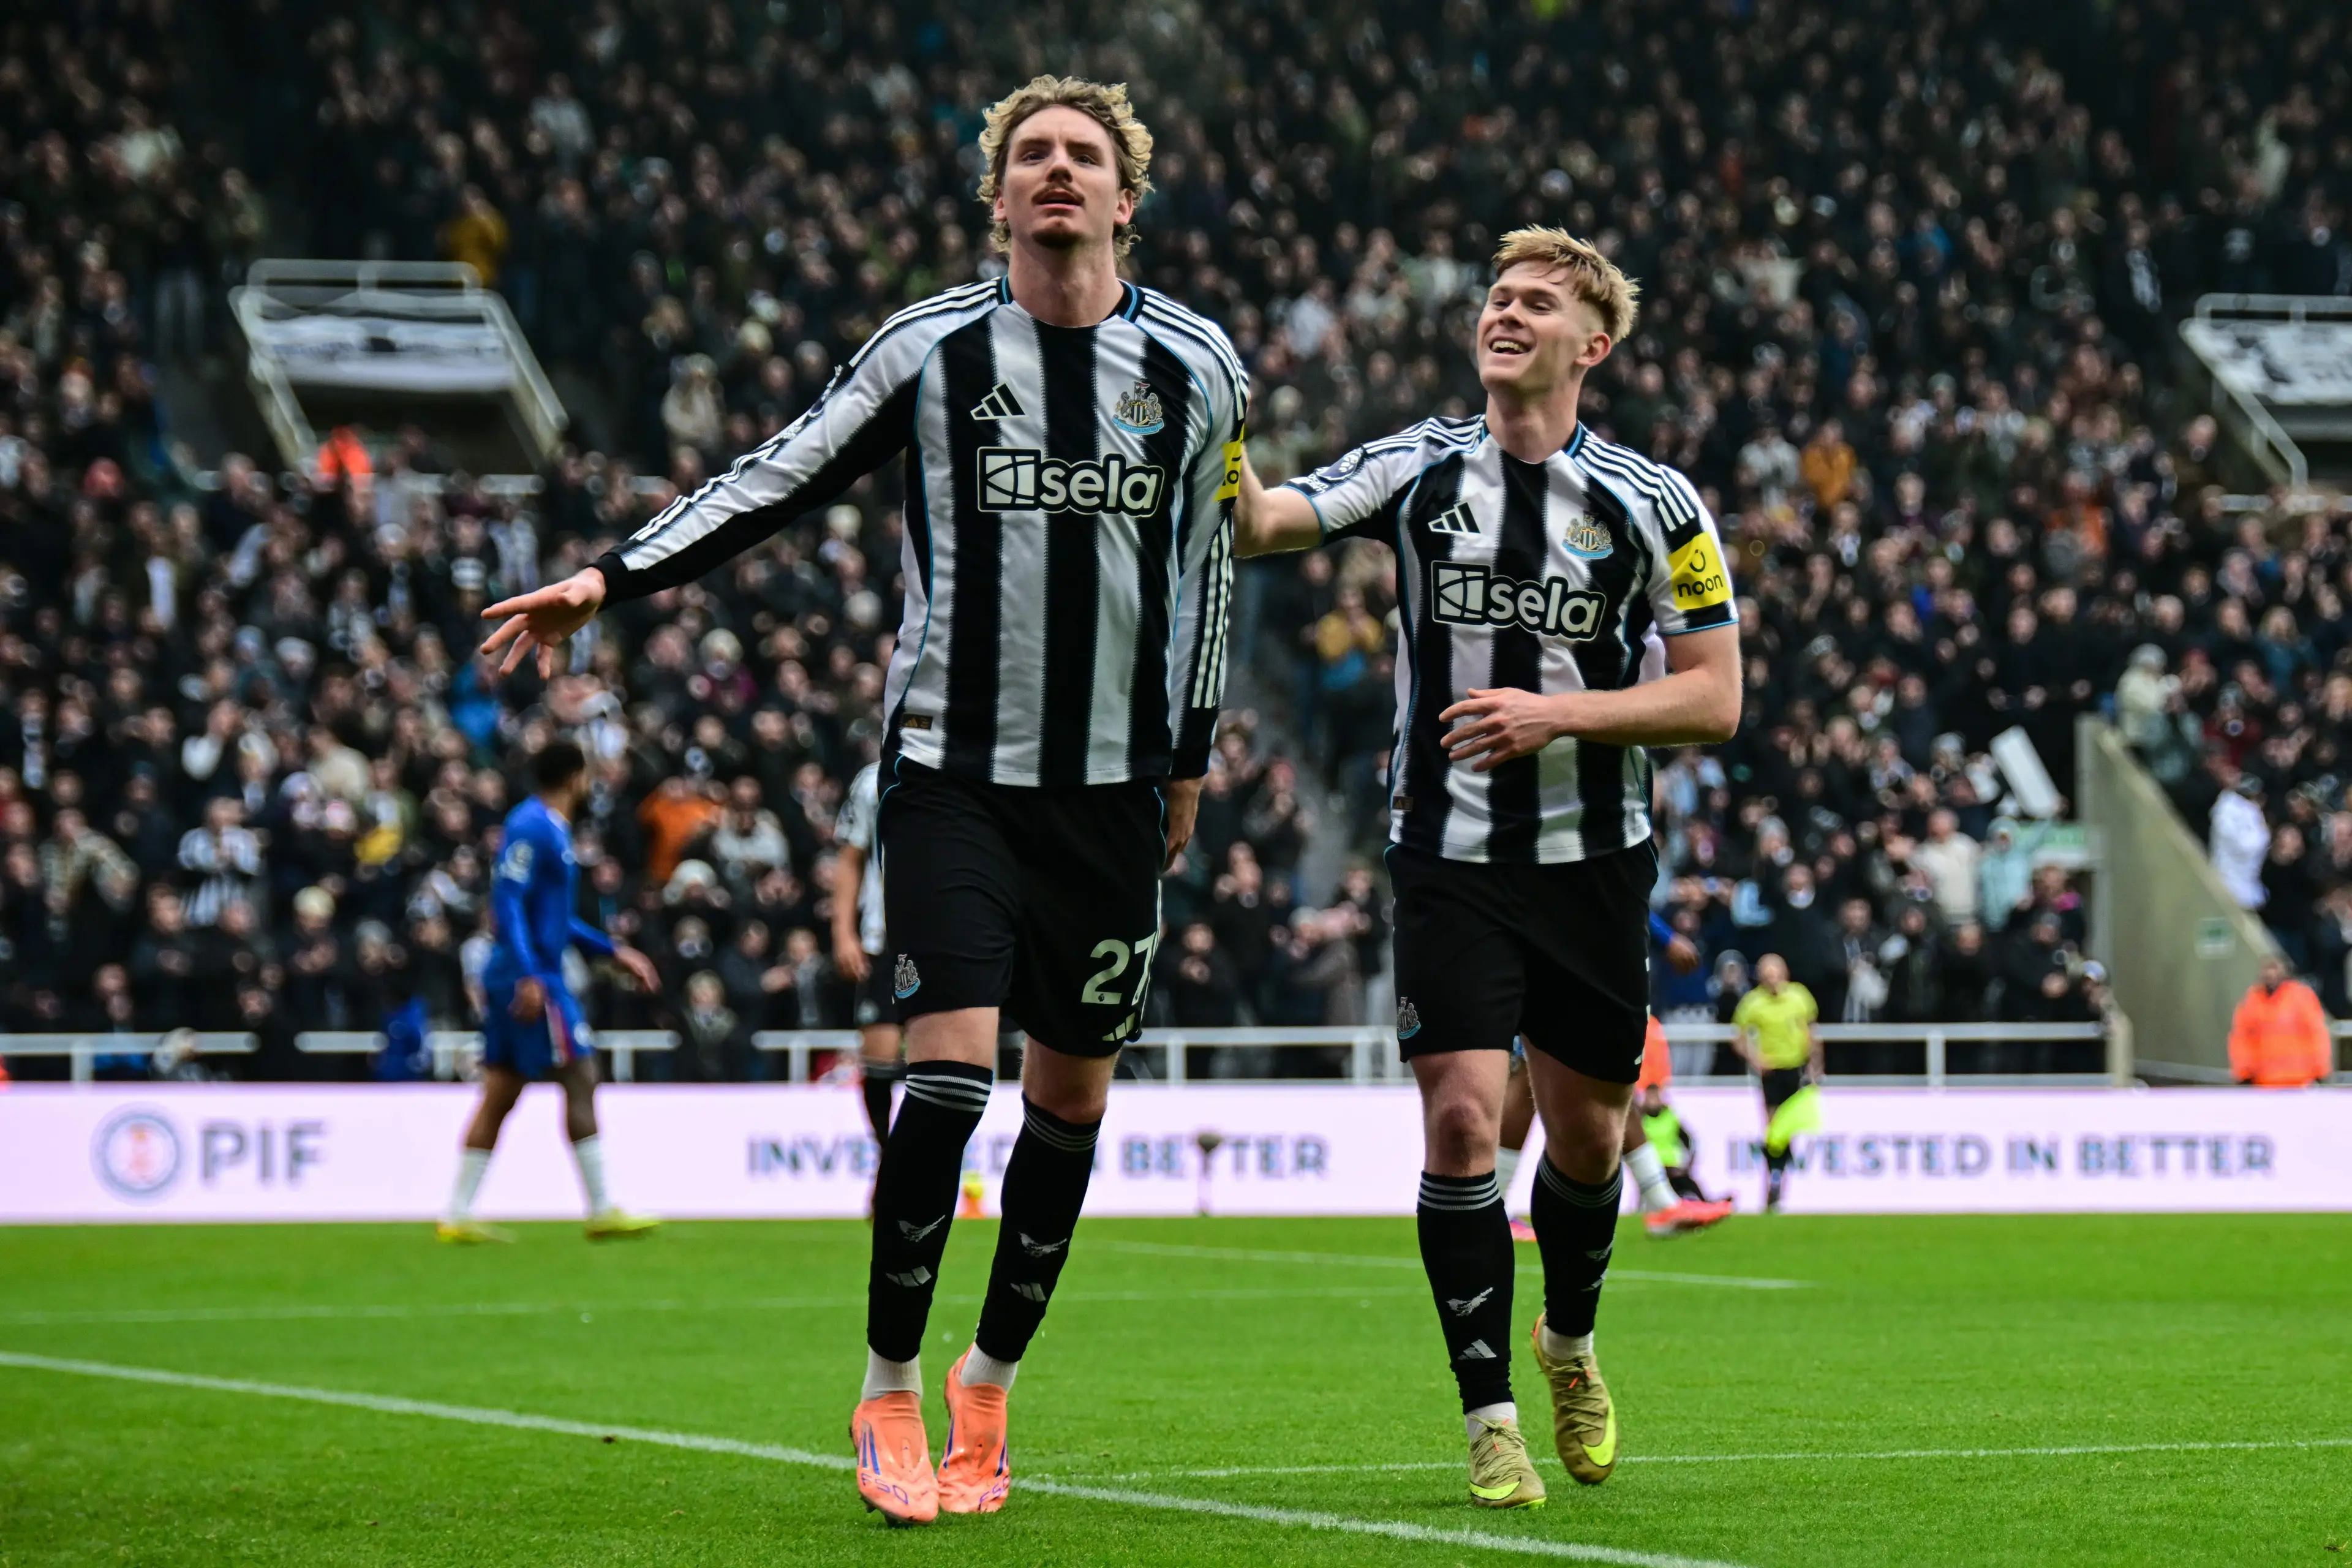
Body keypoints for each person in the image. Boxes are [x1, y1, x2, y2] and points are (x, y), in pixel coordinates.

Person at [479, 77, 1245, 1527]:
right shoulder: (932, 347)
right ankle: (888, 1383)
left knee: (1070, 1102)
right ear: (998, 198)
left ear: (1126, 196)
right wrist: (608, 577)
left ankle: (987, 1379)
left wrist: (1190, 755)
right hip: (952, 773)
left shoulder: (1197, 365)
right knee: (945, 1074)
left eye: (1084, 155)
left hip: (1112, 789)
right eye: (1032, 154)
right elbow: (776, 475)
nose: (1059, 171)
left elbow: (1207, 577)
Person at [1233, 227, 1741, 1509]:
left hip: (1592, 863)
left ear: (1594, 344)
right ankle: (1489, 1415)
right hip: (1447, 856)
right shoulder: (1418, 465)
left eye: (1535, 304)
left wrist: (1556, 714)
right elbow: (1269, 522)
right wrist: (1215, 428)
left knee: (1591, 1137)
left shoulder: (1658, 503)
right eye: (1496, 299)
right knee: (1463, 1122)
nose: (1504, 315)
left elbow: (1716, 697)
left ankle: (1566, 1340)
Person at [439, 740, 663, 1243]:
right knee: (580, 1074)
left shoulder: (548, 827)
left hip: (526, 970)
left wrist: (612, 950)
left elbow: (555, 917)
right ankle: (602, 1207)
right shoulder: (532, 825)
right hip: (533, 976)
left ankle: (456, 1213)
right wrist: (529, 973)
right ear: (575, 777)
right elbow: (508, 901)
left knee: (501, 1092)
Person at [832, 760, 903, 1144]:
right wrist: (843, 933)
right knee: (879, 1059)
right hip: (883, 940)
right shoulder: (872, 779)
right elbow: (850, 857)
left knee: (941, 1059)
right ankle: (886, 1157)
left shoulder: (963, 768)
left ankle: (926, 1161)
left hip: (945, 940)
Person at [1730, 953, 1823, 1212]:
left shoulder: (1799, 996)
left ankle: (1781, 1177)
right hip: (1771, 1073)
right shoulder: (1753, 1002)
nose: (1772, 978)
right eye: (1767, 973)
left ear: (1785, 973)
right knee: (1772, 1130)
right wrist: (1756, 1059)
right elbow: (1738, 1038)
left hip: (1796, 1069)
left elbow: (1812, 1032)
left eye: (1775, 972)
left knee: (1790, 1127)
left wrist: (1816, 1065)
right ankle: (1774, 1178)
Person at [2226, 954, 2334, 1087]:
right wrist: (2243, 1071)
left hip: (2299, 1080)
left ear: (2285, 970)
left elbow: (2317, 1034)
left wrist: (2321, 1069)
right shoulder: (2252, 1000)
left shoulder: (2302, 997)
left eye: (2274, 968)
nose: (2270, 973)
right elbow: (2241, 1037)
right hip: (2263, 1082)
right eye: (2266, 968)